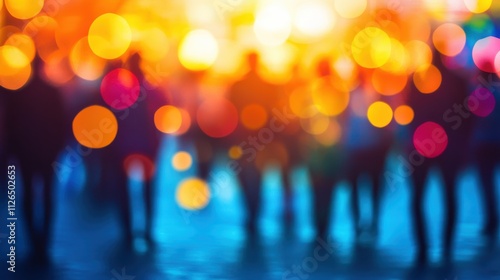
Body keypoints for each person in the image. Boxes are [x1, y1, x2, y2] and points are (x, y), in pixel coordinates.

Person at [406, 49, 473, 263]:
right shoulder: (457, 80)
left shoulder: (417, 79)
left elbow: (409, 111)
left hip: (421, 145)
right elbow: (467, 116)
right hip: (448, 147)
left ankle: (424, 247)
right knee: (449, 194)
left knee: (418, 196)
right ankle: (446, 245)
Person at [1, 55, 66, 262]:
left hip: (26, 153)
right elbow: (62, 124)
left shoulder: (20, 95)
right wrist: (57, 149)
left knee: (28, 195)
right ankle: (43, 241)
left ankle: (34, 240)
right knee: (47, 195)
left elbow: (10, 127)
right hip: (46, 154)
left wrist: (11, 153)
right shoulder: (52, 93)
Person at [226, 51, 281, 233]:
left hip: (241, 140)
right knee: (259, 177)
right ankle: (255, 213)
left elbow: (229, 114)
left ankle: (250, 212)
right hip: (262, 140)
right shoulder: (267, 86)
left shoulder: (237, 86)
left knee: (243, 176)